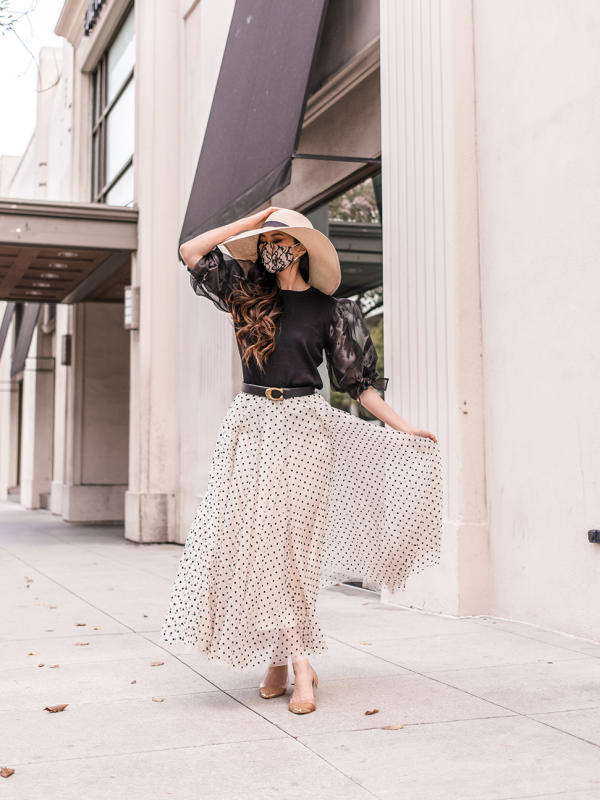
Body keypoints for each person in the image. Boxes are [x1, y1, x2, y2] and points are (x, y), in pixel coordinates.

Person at [161, 207, 442, 715]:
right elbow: (191, 251)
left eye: (281, 239)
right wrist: (251, 220)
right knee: (255, 544)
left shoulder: (334, 311)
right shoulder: (245, 295)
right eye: (266, 240)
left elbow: (358, 386)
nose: (272, 247)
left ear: (301, 247)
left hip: (304, 427)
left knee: (294, 549)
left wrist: (403, 427)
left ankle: (295, 662)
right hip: (249, 424)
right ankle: (290, 661)